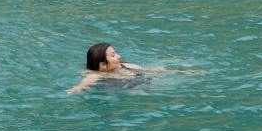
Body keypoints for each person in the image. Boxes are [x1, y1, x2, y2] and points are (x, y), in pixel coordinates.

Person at [67, 42, 196, 93]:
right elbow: (82, 85)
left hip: (142, 81)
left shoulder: (126, 66)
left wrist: (182, 72)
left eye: (116, 53)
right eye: (113, 55)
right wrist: (74, 90)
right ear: (102, 65)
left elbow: (153, 70)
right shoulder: (96, 75)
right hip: (129, 88)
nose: (118, 56)